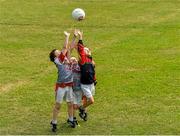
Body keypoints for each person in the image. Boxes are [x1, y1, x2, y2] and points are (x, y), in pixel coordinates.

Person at [49, 31, 76, 132]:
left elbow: (69, 48)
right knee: (58, 105)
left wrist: (74, 37)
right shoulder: (58, 61)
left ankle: (71, 119)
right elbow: (65, 48)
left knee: (70, 103)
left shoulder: (65, 58)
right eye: (57, 52)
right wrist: (66, 36)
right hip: (61, 86)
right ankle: (54, 122)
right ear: (55, 56)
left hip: (69, 85)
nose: (59, 52)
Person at [72, 30, 97, 121]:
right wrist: (80, 37)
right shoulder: (83, 60)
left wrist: (95, 80)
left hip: (91, 84)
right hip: (85, 85)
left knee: (86, 100)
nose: (85, 50)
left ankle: (84, 112)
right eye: (85, 50)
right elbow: (81, 49)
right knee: (91, 101)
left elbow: (92, 72)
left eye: (87, 49)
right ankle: (82, 109)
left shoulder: (91, 61)